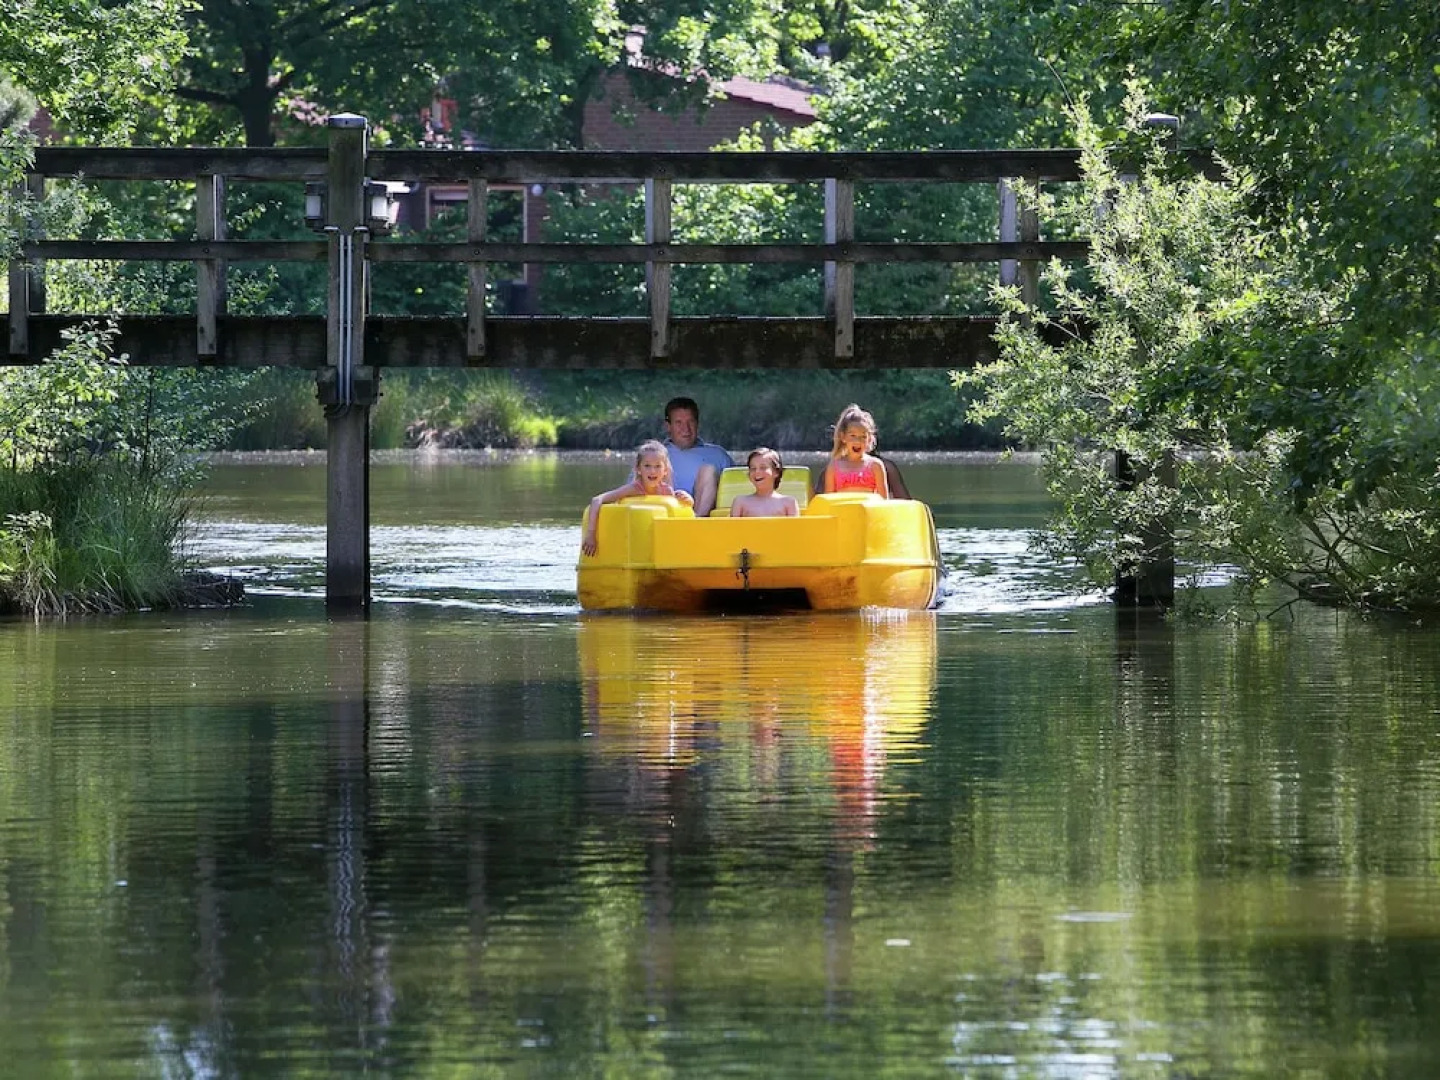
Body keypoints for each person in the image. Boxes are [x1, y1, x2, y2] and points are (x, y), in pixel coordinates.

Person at [580, 440, 693, 556]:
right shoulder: (634, 489)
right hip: (632, 543)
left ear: (665, 471)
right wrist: (591, 534)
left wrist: (689, 501)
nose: (652, 471)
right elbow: (597, 500)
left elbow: (677, 519)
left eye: (657, 466)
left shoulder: (666, 491)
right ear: (638, 469)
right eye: (647, 466)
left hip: (655, 548)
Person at [662, 396, 732, 517]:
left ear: (697, 423)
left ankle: (696, 522)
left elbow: (737, 493)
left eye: (691, 422)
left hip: (704, 522)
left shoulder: (718, 455)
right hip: (667, 518)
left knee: (708, 470)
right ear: (668, 426)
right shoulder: (654, 454)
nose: (686, 429)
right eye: (679, 423)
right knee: (657, 465)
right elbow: (635, 490)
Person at [818, 404, 890, 497]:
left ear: (869, 439)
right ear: (843, 437)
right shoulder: (834, 466)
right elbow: (828, 500)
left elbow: (884, 502)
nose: (858, 441)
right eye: (853, 436)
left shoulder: (876, 466)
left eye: (863, 437)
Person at [731, 447, 799, 518]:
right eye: (753, 468)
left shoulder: (789, 503)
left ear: (776, 472)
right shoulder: (740, 503)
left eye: (763, 468)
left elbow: (795, 528)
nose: (757, 472)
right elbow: (731, 528)